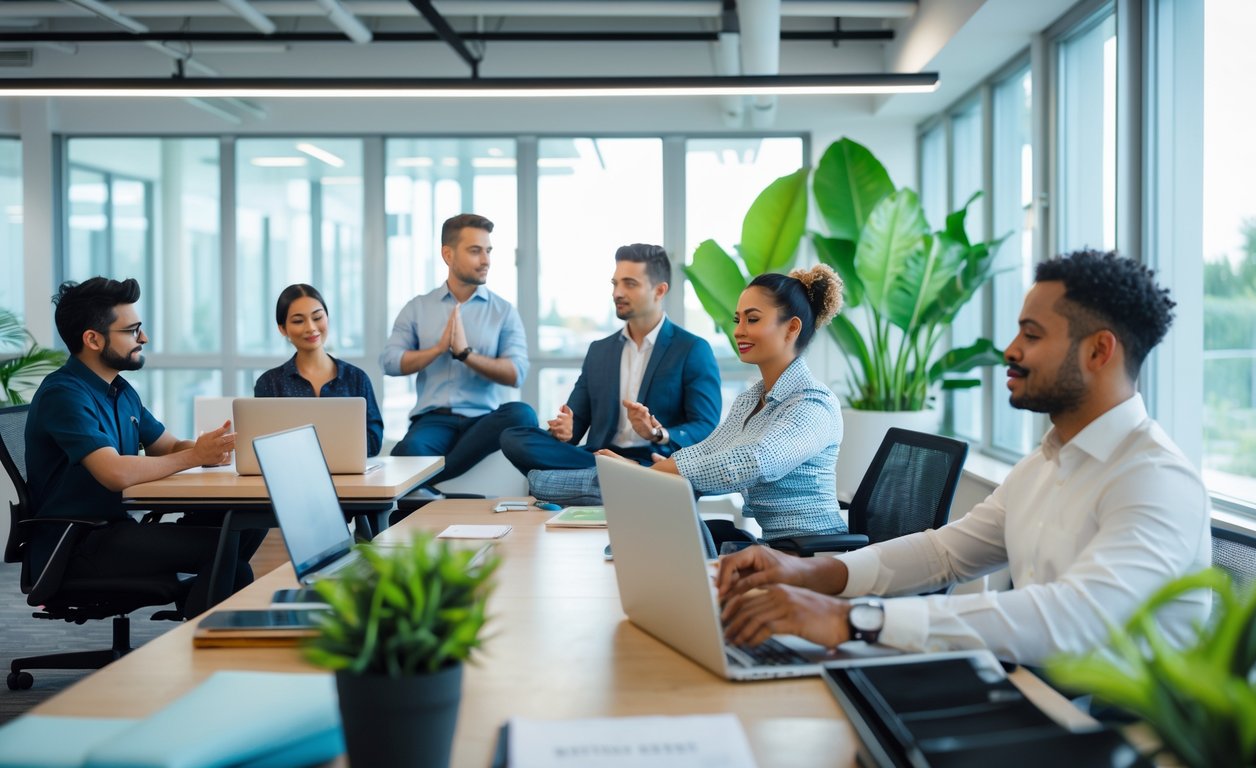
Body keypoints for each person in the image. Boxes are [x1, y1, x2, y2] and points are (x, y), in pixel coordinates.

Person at [716, 250, 1211, 666]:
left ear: (1099, 351)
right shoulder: (1042, 465)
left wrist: (852, 619)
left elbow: (1071, 618)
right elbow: (944, 553)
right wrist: (811, 573)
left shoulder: (1154, 479)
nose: (1010, 350)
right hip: (1031, 696)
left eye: (1032, 336)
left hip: (1110, 733)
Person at [25, 277, 263, 619]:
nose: (144, 338)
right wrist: (194, 456)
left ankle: (198, 630)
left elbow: (166, 446)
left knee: (245, 523)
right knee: (226, 549)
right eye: (132, 330)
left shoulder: (120, 391)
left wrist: (210, 448)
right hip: (76, 544)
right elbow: (114, 473)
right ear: (92, 339)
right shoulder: (64, 394)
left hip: (116, 530)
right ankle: (196, 649)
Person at [602, 264, 848, 542]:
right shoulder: (752, 399)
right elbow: (711, 449)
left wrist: (645, 474)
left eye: (752, 320)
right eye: (737, 320)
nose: (739, 331)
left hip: (815, 556)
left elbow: (751, 462)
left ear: (791, 327)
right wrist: (658, 469)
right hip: (775, 550)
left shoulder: (814, 405)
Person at [498, 244, 721, 503]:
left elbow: (705, 427)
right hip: (598, 456)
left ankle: (594, 482)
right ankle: (612, 479)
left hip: (652, 460)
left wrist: (657, 433)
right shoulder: (599, 351)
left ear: (659, 290)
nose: (618, 293)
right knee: (513, 437)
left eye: (630, 284)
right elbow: (574, 425)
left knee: (542, 478)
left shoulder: (692, 349)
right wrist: (565, 430)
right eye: (615, 283)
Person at [381, 213, 537, 482]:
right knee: (408, 450)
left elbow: (517, 373)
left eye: (488, 251)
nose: (486, 260)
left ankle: (429, 482)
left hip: (484, 421)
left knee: (522, 414)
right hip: (433, 420)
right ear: (448, 255)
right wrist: (438, 349)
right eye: (475, 251)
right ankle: (428, 484)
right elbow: (390, 362)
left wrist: (465, 354)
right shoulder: (418, 307)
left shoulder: (503, 311)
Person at [254, 283, 384, 456]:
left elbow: (374, 443)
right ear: (282, 329)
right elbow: (265, 447)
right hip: (293, 475)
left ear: (327, 318)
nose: (311, 328)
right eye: (298, 321)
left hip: (351, 477)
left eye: (317, 318)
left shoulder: (356, 378)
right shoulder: (269, 383)